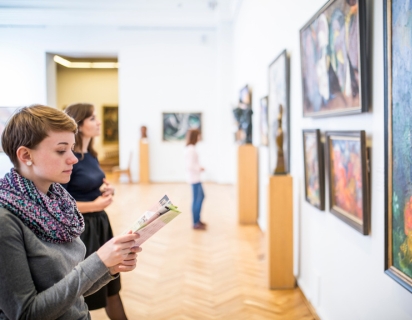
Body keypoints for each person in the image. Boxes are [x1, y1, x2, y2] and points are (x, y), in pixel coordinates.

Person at [0, 105, 140, 320]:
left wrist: (108, 269)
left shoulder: (59, 204)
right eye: (61, 150)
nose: (73, 158)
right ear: (26, 154)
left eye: (72, 148)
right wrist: (99, 261)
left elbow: (71, 294)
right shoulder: (6, 221)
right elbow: (26, 314)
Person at [63, 103, 128, 320]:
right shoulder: (69, 159)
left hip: (100, 224)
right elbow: (62, 202)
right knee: (86, 289)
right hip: (82, 229)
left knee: (112, 287)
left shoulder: (91, 155)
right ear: (78, 125)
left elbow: (91, 186)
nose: (98, 122)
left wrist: (106, 188)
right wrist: (95, 205)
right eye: (92, 118)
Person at [184, 129, 206, 230]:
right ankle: (195, 222)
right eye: (198, 135)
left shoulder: (191, 148)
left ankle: (197, 220)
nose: (199, 137)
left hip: (195, 178)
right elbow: (190, 166)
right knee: (197, 199)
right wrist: (199, 168)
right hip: (194, 178)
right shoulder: (191, 149)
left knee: (200, 197)